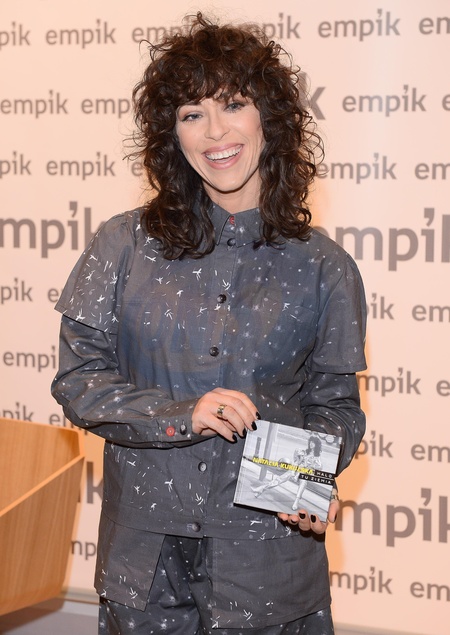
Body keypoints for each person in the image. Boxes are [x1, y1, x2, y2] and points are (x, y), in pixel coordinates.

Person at [51, 12, 367, 635]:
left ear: (268, 118)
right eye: (192, 113)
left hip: (267, 567)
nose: (215, 131)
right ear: (172, 134)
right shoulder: (122, 243)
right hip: (145, 569)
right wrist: (181, 415)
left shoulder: (323, 265)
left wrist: (305, 482)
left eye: (233, 104)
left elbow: (334, 406)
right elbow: (79, 381)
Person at [251, 435, 323, 513]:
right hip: (295, 471)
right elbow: (297, 461)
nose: (311, 444)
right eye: (310, 442)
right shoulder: (305, 452)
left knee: (303, 482)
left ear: (316, 445)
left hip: (304, 474)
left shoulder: (317, 457)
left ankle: (296, 502)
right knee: (280, 478)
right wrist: (299, 462)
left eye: (313, 443)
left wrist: (310, 465)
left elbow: (319, 467)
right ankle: (262, 489)